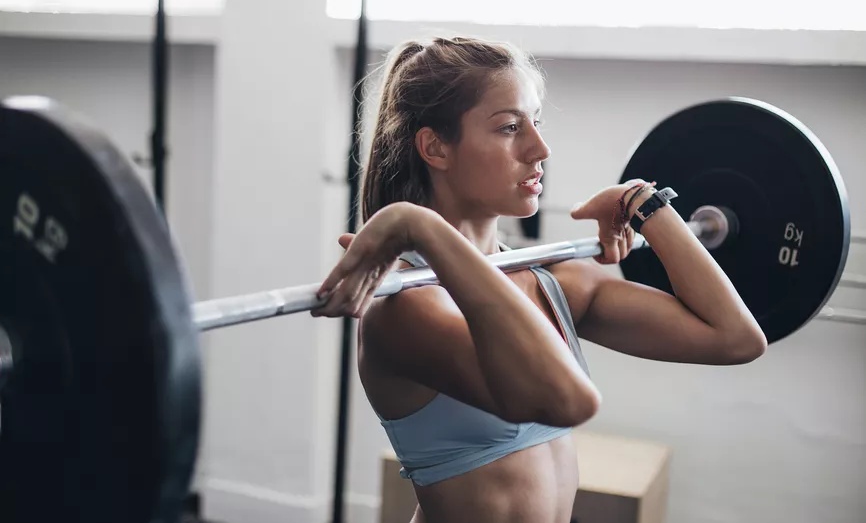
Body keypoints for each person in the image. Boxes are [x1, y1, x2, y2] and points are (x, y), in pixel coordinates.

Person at [312, 36, 768, 523]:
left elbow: (736, 339)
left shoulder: (550, 281)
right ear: (435, 147)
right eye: (510, 127)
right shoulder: (407, 308)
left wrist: (644, 204)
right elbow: (566, 400)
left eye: (536, 122)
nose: (540, 148)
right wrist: (420, 226)